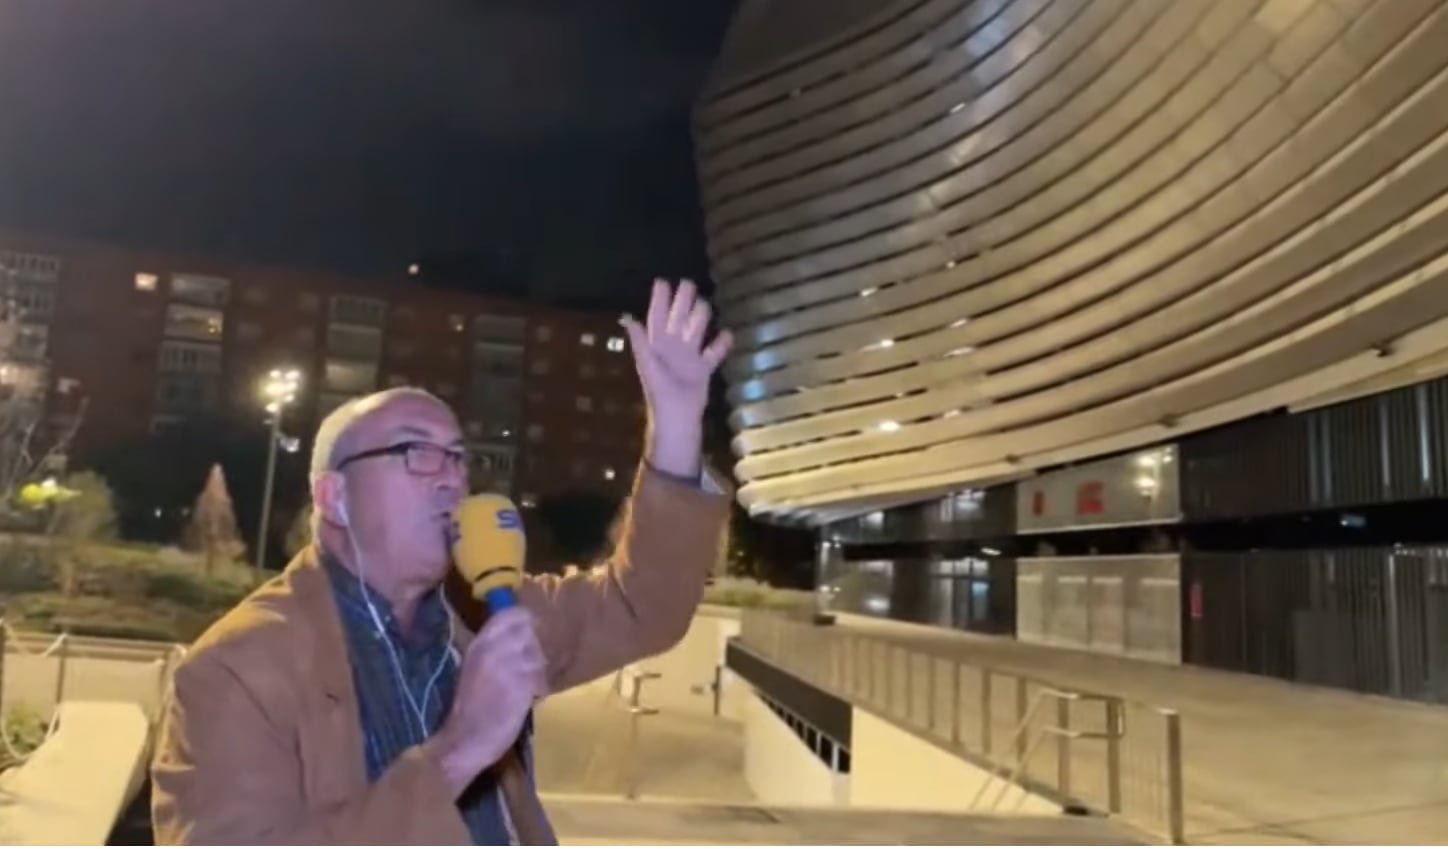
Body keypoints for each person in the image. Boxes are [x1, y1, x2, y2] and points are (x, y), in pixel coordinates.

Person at [150, 278, 734, 845]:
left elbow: (641, 609)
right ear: (334, 497)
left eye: (458, 457)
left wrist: (677, 426)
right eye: (417, 454)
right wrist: (459, 748)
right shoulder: (234, 672)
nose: (453, 477)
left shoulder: (485, 610)